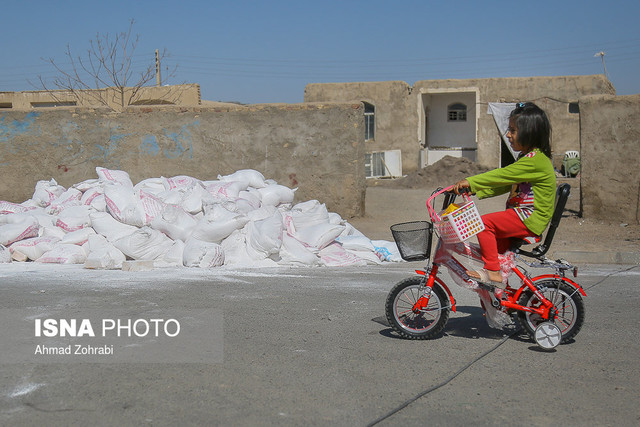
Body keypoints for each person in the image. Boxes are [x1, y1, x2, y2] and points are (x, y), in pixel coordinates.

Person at [452, 102, 556, 288]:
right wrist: (475, 189)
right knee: (496, 254)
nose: (508, 135)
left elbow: (502, 175)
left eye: (513, 131)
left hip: (530, 218)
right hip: (522, 216)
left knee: (484, 225)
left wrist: (472, 181)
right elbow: (507, 184)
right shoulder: (528, 158)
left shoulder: (535, 160)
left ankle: (492, 271)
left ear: (529, 133)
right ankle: (502, 295)